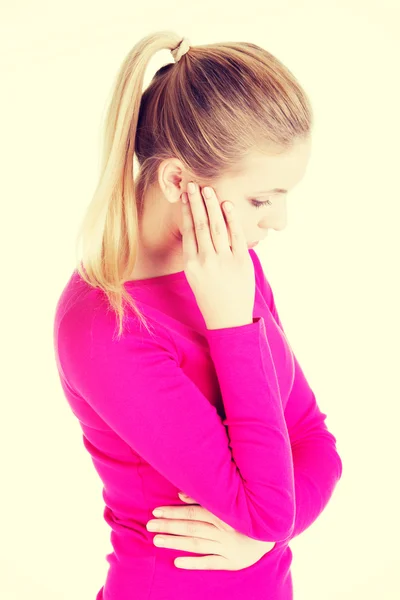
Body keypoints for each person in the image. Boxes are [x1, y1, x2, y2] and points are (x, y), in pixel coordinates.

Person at [53, 31, 343, 600]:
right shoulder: (103, 326)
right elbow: (266, 508)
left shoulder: (230, 267)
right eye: (262, 199)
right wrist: (231, 325)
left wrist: (268, 534)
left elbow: (313, 441)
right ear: (180, 181)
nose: (279, 220)